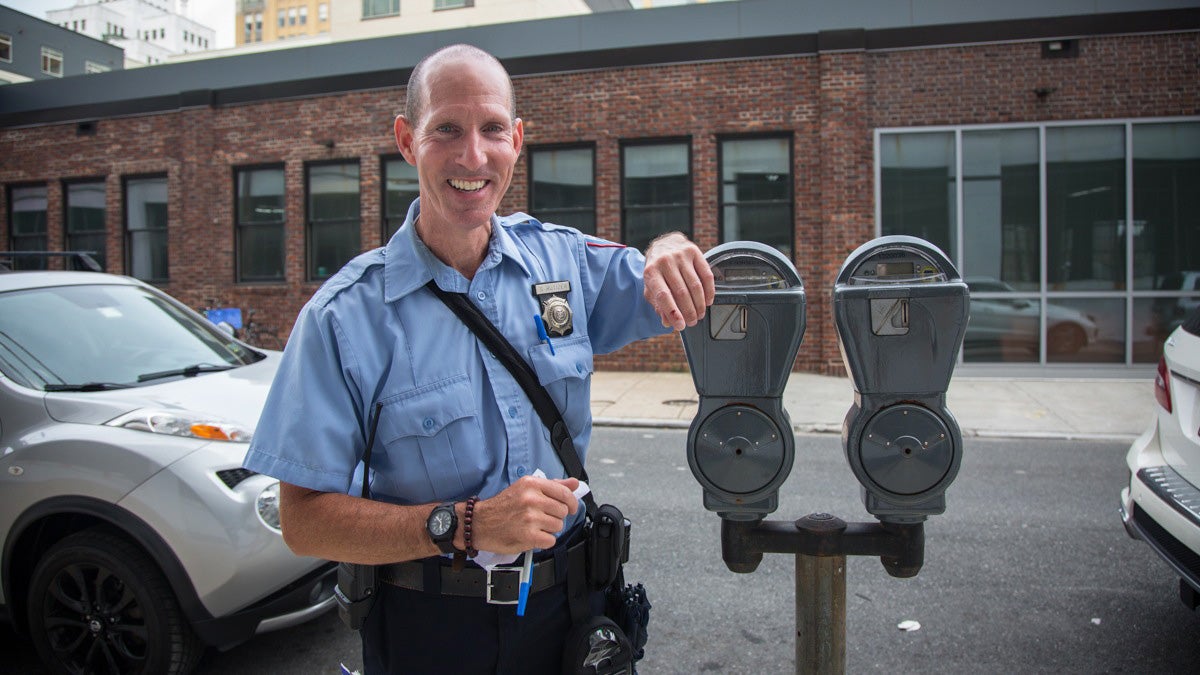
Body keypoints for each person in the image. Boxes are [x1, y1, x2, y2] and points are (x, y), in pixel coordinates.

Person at [242, 43, 714, 674]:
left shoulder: (562, 264)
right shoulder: (345, 317)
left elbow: (671, 274)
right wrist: (467, 525)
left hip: (571, 614)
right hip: (431, 629)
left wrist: (672, 243)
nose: (473, 156)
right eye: (447, 130)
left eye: (492, 129)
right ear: (408, 141)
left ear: (516, 140)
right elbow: (303, 521)